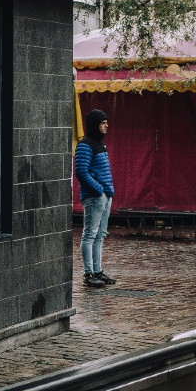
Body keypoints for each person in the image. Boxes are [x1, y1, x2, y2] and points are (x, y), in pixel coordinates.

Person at [74, 109, 116, 288]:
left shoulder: (100, 144)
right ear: (94, 125)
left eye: (106, 122)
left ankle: (97, 270)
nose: (106, 126)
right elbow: (81, 172)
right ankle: (88, 273)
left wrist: (107, 192)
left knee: (100, 235)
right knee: (90, 234)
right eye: (103, 123)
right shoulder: (85, 145)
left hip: (105, 195)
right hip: (95, 196)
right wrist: (98, 189)